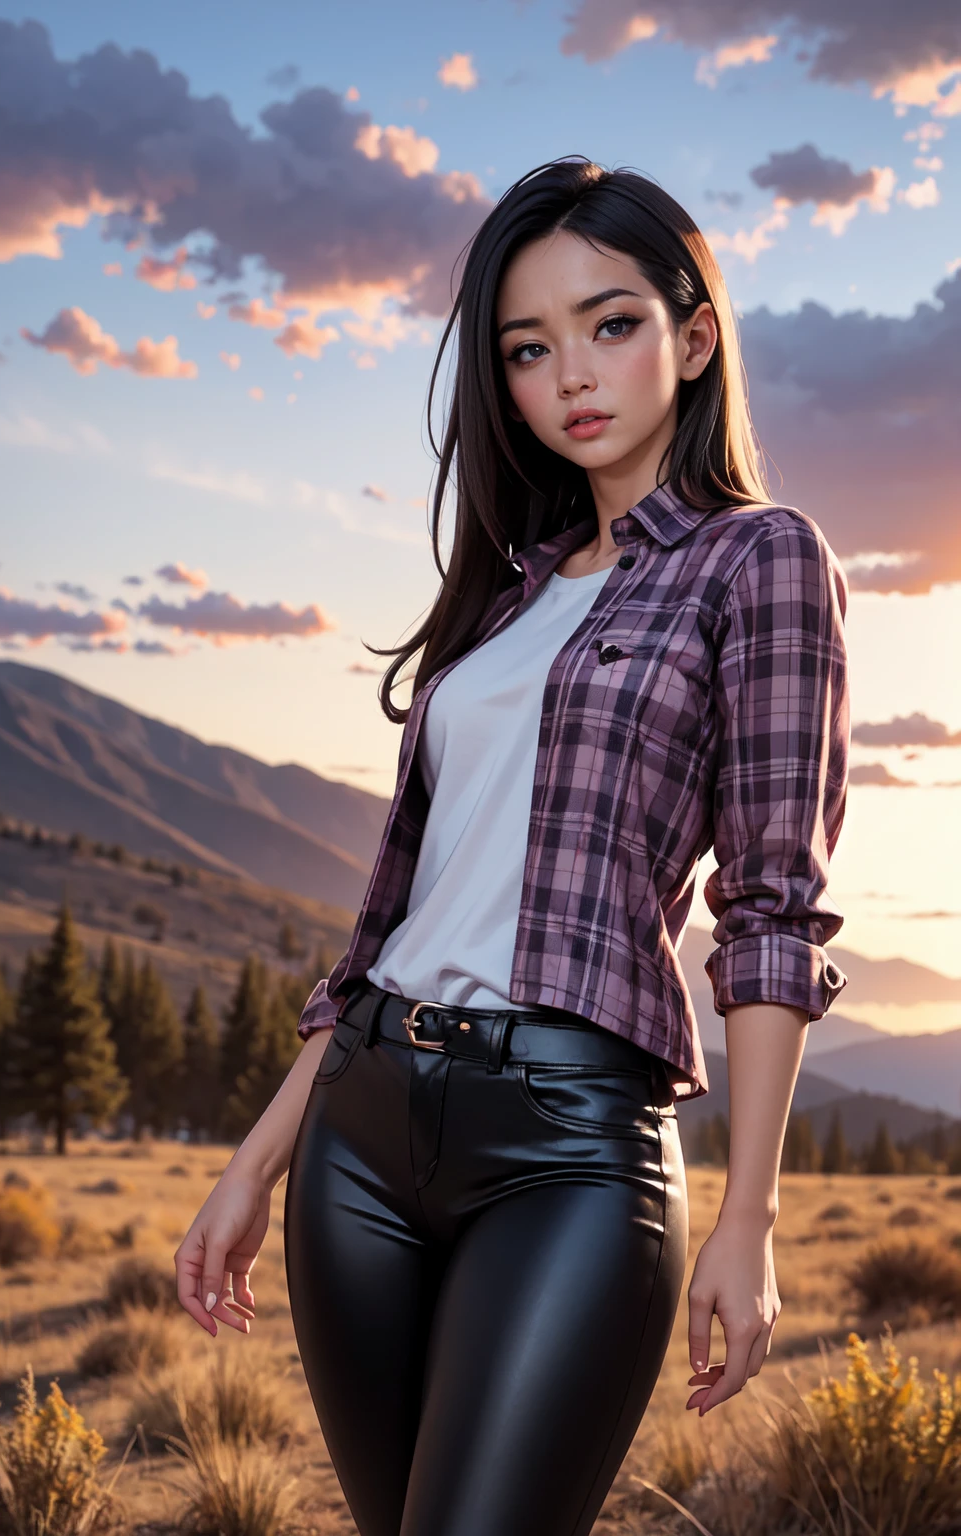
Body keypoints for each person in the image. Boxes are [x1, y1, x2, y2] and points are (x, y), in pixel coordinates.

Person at [174, 156, 851, 1536]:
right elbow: (396, 925)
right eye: (529, 349)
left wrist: (751, 1218)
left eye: (612, 325)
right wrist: (257, 1159)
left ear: (695, 334)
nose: (572, 378)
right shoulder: (502, 595)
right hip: (361, 1131)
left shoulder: (759, 558)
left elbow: (772, 908)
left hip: (571, 1146)